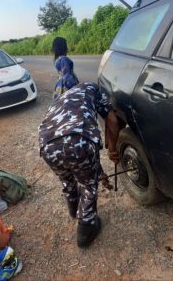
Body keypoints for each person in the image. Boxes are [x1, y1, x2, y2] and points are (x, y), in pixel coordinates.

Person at [38, 82, 122, 248]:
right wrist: (112, 150)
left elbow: (89, 161)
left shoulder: (64, 97)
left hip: (47, 144)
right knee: (88, 184)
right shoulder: (94, 89)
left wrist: (101, 174)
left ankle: (73, 209)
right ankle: (86, 229)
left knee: (66, 177)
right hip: (79, 140)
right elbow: (112, 120)